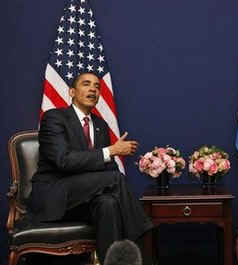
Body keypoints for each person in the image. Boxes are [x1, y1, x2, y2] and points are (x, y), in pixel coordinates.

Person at [28, 72, 153, 264]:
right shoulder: (54, 118)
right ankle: (144, 244)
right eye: (86, 84)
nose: (93, 89)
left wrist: (110, 154)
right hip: (54, 196)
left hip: (84, 200)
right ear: (72, 91)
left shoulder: (100, 125)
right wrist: (111, 150)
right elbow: (63, 161)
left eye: (97, 86)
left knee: (109, 203)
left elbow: (105, 168)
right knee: (116, 179)